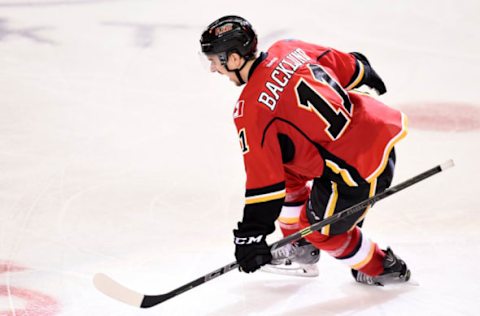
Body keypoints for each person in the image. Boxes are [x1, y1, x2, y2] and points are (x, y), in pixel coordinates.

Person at [199, 15, 410, 285]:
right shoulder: (288, 48)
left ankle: (383, 267)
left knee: (321, 233)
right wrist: (364, 72)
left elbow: (264, 186)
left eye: (215, 61)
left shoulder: (252, 110)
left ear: (236, 59)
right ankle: (300, 247)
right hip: (372, 131)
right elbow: (346, 65)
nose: (213, 69)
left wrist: (250, 237)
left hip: (358, 172)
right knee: (285, 165)